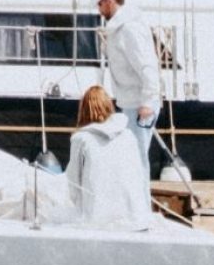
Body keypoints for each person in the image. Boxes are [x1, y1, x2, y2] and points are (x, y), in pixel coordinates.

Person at [65, 0, 161, 170]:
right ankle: (132, 200)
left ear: (109, 1)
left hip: (140, 104)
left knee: (136, 160)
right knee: (129, 157)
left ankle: (139, 201)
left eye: (100, 5)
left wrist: (147, 102)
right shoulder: (122, 17)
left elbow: (147, 67)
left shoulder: (129, 29)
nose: (99, 11)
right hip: (129, 102)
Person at [63, 85, 150, 228]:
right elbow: (139, 176)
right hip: (135, 217)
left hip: (98, 219)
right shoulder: (128, 135)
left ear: (83, 110)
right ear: (109, 106)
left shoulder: (81, 139)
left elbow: (72, 185)